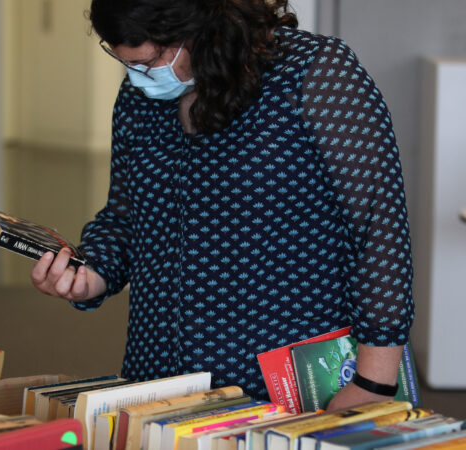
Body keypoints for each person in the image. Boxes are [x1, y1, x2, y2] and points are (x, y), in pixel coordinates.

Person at [31, 0, 414, 410]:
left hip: (281, 377)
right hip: (158, 372)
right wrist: (91, 275)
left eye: (150, 62)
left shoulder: (315, 71)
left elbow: (378, 228)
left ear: (201, 26)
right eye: (127, 63)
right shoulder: (138, 98)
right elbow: (126, 218)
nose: (139, 78)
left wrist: (375, 383)